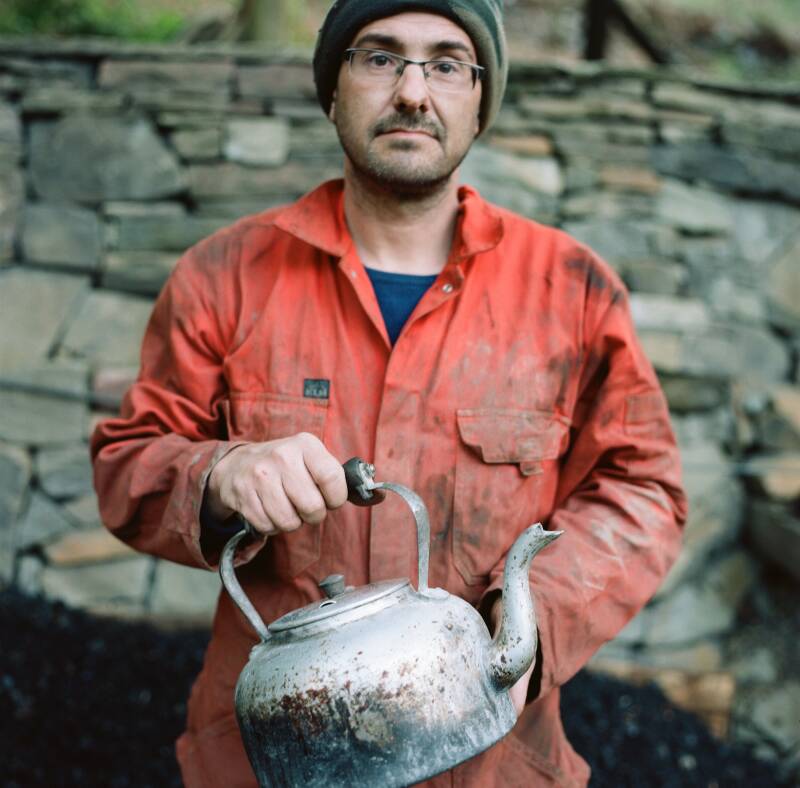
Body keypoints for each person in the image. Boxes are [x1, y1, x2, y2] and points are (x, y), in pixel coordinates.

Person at [91, 1, 687, 785]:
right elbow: (128, 463)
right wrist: (221, 475)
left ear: (480, 101)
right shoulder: (223, 277)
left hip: (493, 759)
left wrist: (540, 610)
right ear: (333, 88)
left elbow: (643, 488)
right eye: (379, 58)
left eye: (446, 64)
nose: (413, 91)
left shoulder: (572, 290)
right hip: (272, 756)